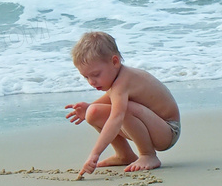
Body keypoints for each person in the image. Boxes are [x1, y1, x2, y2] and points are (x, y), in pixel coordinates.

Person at [65, 31, 180, 177]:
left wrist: (95, 154)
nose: (91, 82)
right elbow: (110, 98)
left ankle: (148, 154)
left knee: (123, 110)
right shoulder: (116, 80)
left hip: (168, 131)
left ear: (115, 61)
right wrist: (88, 108)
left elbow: (116, 118)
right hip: (152, 127)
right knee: (93, 113)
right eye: (86, 77)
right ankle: (124, 154)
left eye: (96, 75)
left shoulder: (123, 82)